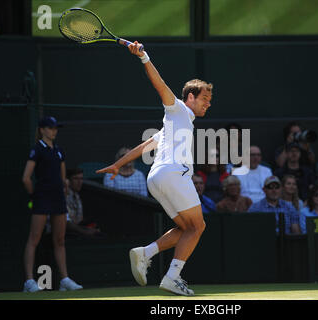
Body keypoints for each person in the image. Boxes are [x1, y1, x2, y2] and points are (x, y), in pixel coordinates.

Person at [96, 41, 212, 296]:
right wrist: (144, 57)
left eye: (209, 100)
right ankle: (172, 277)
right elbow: (160, 86)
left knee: (186, 229)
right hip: (173, 174)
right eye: (204, 98)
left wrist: (118, 164)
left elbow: (147, 144)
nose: (208, 104)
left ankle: (144, 253)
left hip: (155, 178)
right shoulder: (178, 108)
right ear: (190, 97)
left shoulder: (175, 123)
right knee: (198, 227)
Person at [21, 116, 82, 292]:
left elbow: (63, 180)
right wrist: (34, 195)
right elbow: (26, 178)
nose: (54, 131)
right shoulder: (37, 150)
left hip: (58, 200)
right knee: (34, 239)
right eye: (50, 128)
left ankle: (64, 280)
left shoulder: (59, 151)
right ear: (42, 130)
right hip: (41, 199)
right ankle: (29, 282)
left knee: (60, 240)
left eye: (55, 128)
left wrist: (64, 187)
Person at [66, 168, 102, 238]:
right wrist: (85, 231)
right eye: (76, 179)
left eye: (81, 179)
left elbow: (79, 220)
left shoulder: (77, 196)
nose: (79, 182)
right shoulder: (64, 195)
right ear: (68, 181)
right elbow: (67, 224)